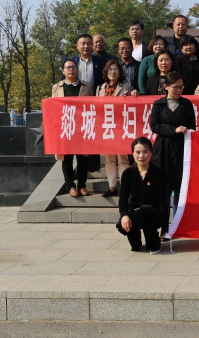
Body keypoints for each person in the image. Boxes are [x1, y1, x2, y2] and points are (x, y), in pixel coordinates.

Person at [150, 72, 197, 220]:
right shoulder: (158, 104)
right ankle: (163, 223)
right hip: (163, 149)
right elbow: (155, 126)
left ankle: (177, 222)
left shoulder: (186, 104)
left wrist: (191, 131)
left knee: (179, 188)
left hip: (181, 148)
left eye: (181, 87)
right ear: (166, 86)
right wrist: (173, 130)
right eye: (175, 87)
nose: (179, 90)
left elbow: (192, 125)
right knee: (164, 188)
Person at [116, 137, 168, 254]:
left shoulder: (159, 173)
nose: (141, 156)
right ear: (132, 154)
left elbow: (163, 200)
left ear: (151, 153)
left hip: (153, 213)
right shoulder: (128, 173)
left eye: (145, 152)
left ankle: (153, 243)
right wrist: (124, 215)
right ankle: (136, 242)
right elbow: (123, 198)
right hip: (135, 210)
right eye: (137, 152)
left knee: (145, 211)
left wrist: (165, 226)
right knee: (121, 223)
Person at [52, 59, 93, 197]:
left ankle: (82, 185)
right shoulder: (57, 87)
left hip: (82, 128)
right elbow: (53, 108)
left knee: (82, 158)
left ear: (78, 70)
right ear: (63, 71)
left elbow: (92, 107)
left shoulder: (86, 86)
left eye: (73, 67)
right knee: (67, 159)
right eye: (67, 67)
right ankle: (70, 186)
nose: (71, 69)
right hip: (65, 127)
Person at [96, 60, 134, 197]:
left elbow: (133, 106)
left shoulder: (126, 86)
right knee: (109, 159)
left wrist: (135, 94)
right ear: (106, 72)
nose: (113, 72)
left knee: (123, 158)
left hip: (121, 126)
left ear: (120, 72)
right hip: (106, 127)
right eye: (110, 69)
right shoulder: (100, 88)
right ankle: (112, 187)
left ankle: (125, 187)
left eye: (116, 69)